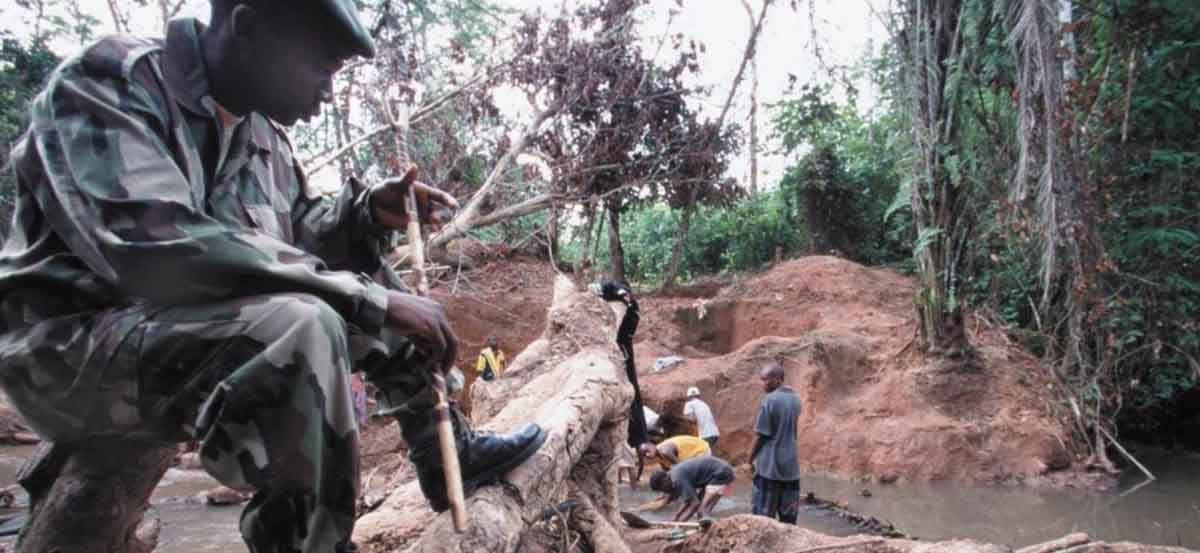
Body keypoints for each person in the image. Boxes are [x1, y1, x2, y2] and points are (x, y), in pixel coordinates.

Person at [0, 1, 547, 550]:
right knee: (306, 321)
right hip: (67, 354)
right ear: (248, 26)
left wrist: (361, 214)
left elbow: (296, 236)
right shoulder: (109, 83)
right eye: (323, 67)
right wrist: (366, 301)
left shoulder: (261, 132)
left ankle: (447, 454)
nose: (329, 91)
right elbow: (155, 247)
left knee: (360, 285)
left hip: (172, 334)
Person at [749, 362, 803, 524]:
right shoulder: (796, 400)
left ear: (778, 379)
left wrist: (749, 459)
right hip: (791, 467)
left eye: (766, 380)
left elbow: (761, 435)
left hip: (769, 467)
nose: (763, 384)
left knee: (763, 518)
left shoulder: (770, 400)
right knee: (788, 518)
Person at [648, 456, 735, 522]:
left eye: (663, 490)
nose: (665, 492)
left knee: (701, 510)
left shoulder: (678, 479)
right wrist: (676, 517)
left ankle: (710, 528)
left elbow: (694, 503)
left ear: (665, 480)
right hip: (717, 473)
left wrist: (679, 524)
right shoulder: (673, 475)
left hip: (721, 473)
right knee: (704, 511)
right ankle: (708, 526)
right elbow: (688, 500)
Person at [639, 434, 711, 471]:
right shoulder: (660, 458)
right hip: (693, 454)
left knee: (693, 474)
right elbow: (668, 473)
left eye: (647, 451)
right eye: (644, 455)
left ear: (652, 445)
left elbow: (681, 468)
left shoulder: (665, 451)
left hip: (701, 449)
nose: (647, 454)